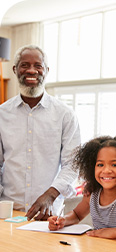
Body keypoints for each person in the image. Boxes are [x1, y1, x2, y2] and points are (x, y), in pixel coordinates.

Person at [0, 45, 81, 220]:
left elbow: (73, 164)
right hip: (8, 213)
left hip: (49, 215)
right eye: (24, 65)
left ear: (46, 70)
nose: (31, 71)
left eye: (38, 65)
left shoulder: (65, 115)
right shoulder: (2, 114)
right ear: (15, 70)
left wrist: (50, 195)